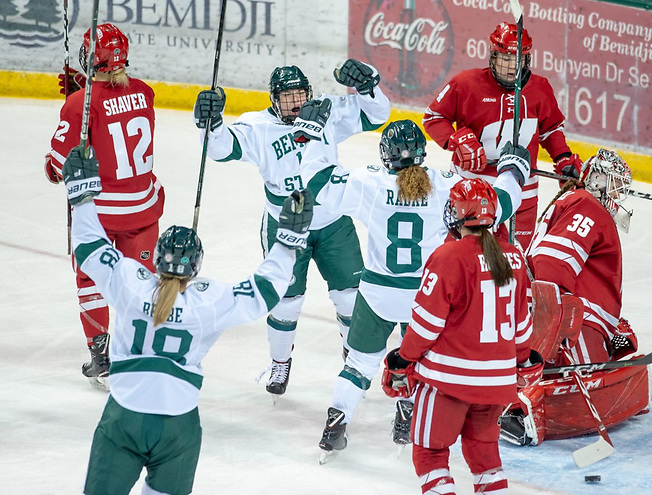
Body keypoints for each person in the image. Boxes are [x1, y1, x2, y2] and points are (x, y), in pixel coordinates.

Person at [61, 143, 312, 495]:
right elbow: (264, 292)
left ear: (157, 259)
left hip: (124, 417)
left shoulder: (131, 283)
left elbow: (88, 247)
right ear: (196, 268)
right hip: (178, 423)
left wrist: (82, 199)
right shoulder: (207, 302)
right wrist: (287, 242)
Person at [291, 112, 530, 460]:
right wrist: (514, 169)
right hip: (427, 294)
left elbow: (317, 183)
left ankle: (336, 422)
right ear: (421, 152)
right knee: (414, 359)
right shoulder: (445, 183)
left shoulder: (369, 182)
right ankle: (406, 414)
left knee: (358, 363)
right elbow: (501, 204)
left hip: (377, 292)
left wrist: (316, 136)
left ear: (385, 154)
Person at [192, 60, 390, 399]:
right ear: (273, 100)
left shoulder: (325, 111)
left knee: (350, 298)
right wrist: (208, 124)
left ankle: (353, 359)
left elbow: (376, 114)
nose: (295, 103)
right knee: (286, 301)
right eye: (287, 97)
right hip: (285, 228)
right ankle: (280, 362)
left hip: (332, 223)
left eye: (300, 94)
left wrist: (370, 86)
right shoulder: (257, 127)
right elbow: (221, 148)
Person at [381, 178, 543, 495]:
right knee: (485, 461)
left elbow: (426, 325)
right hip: (497, 384)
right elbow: (522, 325)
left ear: (459, 214)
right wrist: (523, 362)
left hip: (447, 382)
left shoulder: (448, 257)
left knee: (430, 455)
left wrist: (403, 359)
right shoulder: (514, 257)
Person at [499, 149, 646, 446]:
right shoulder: (588, 207)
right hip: (570, 320)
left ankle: (531, 372)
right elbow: (551, 264)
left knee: (618, 342)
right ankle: (522, 405)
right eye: (614, 185)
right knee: (590, 371)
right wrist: (557, 320)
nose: (617, 195)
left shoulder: (578, 201)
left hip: (568, 314)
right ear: (598, 181)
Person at [46, 23, 164, 390]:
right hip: (144, 209)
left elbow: (56, 168)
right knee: (141, 284)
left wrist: (76, 107)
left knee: (90, 278)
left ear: (90, 58)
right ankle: (142, 352)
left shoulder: (79, 104)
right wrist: (84, 99)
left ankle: (101, 353)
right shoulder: (145, 93)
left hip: (100, 213)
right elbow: (115, 111)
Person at [422, 22, 582, 251]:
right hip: (472, 188)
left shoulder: (540, 89)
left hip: (523, 189)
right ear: (492, 56)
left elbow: (551, 128)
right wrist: (455, 141)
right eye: (504, 58)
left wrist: (563, 158)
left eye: (516, 59)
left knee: (517, 256)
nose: (510, 66)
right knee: (463, 252)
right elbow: (433, 117)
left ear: (527, 61)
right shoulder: (466, 83)